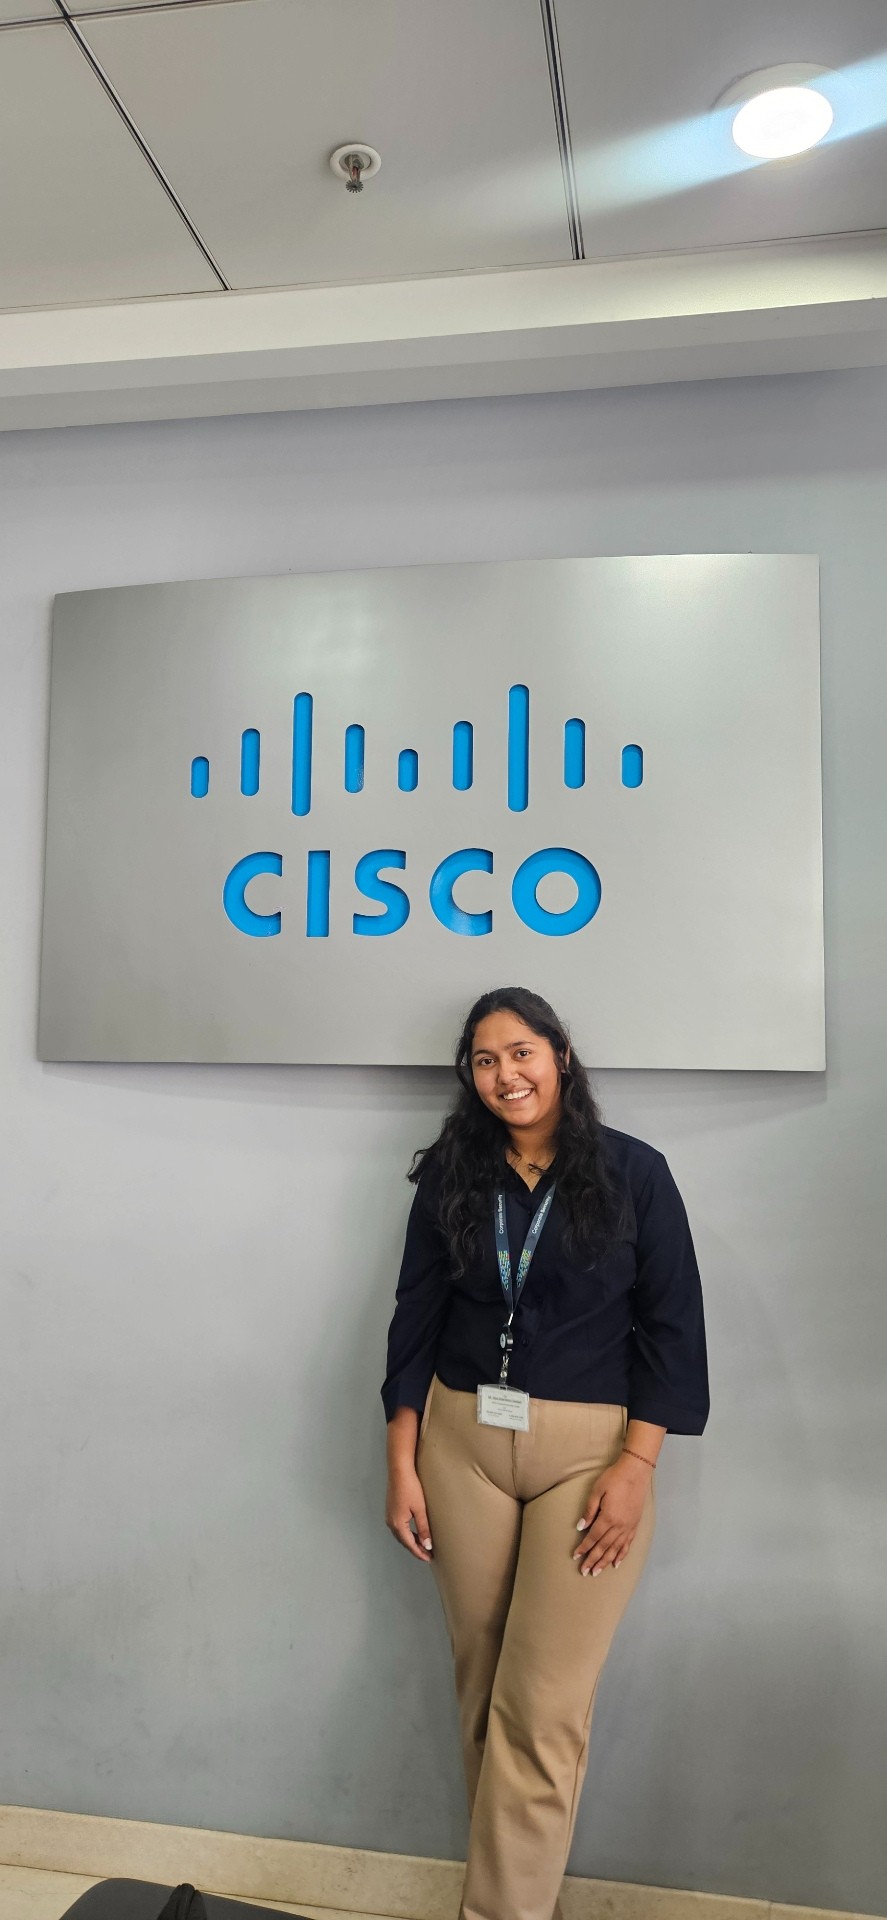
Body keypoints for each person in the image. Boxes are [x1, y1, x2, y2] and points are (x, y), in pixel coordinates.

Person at [381, 987, 709, 1920]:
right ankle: (522, 1899)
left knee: (541, 1704)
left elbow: (670, 1327)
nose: (503, 1075)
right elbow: (415, 1315)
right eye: (483, 1061)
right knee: (482, 1690)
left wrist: (635, 1468)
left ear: (559, 1055)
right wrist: (401, 1459)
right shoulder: (454, 1171)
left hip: (586, 1456)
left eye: (519, 1052)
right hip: (460, 1443)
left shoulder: (634, 1172)